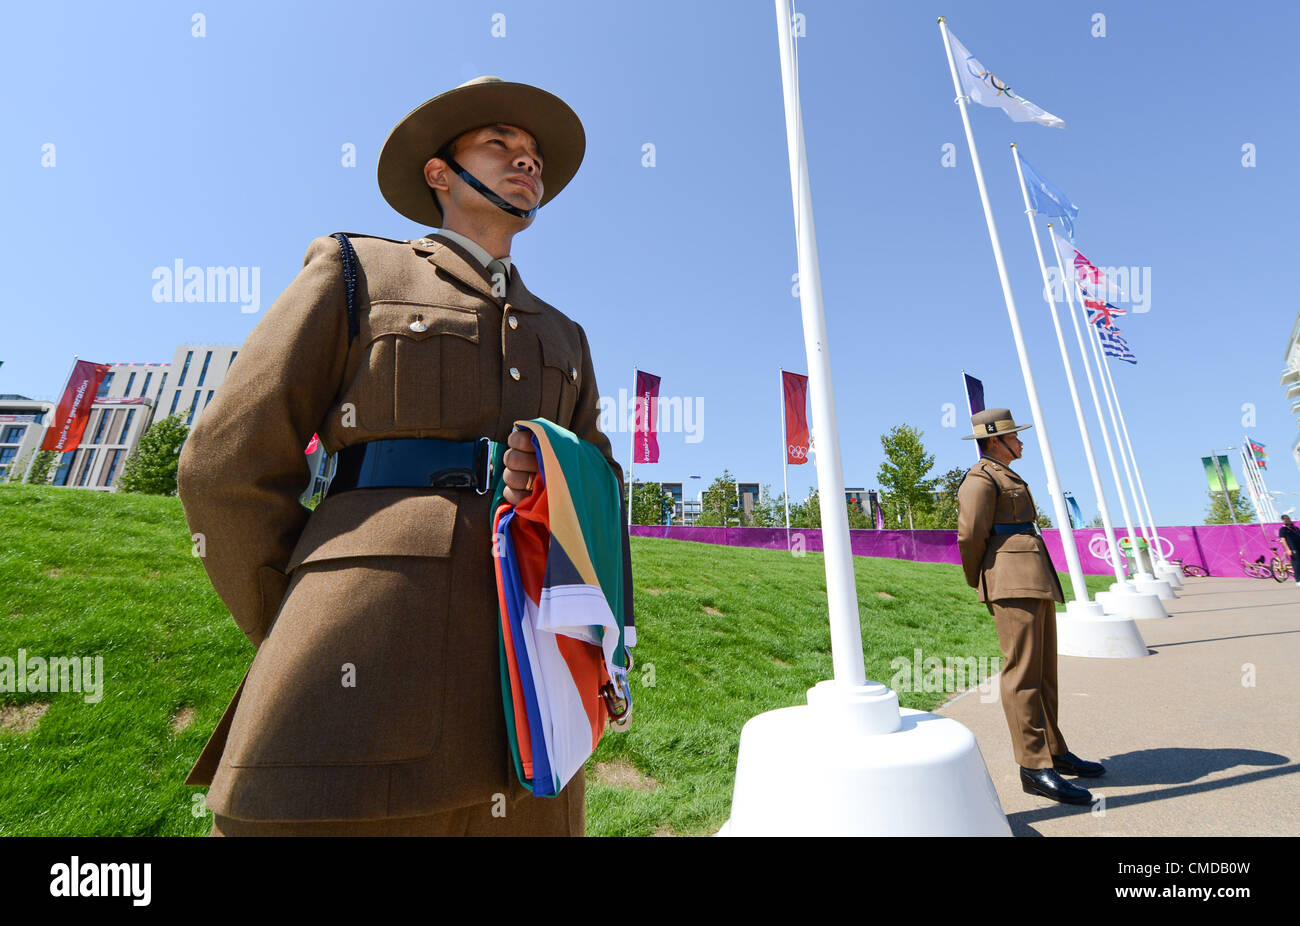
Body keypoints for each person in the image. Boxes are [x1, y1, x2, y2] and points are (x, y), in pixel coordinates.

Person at [176, 76, 626, 836]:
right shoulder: (358, 270)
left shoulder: (566, 335)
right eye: (502, 145)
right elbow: (226, 466)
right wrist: (303, 616)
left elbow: (604, 490)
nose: (528, 163)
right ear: (440, 174)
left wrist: (557, 474)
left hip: (535, 710)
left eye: (536, 157)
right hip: (357, 677)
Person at [956, 408, 1104, 806]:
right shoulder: (980, 479)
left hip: (1033, 577)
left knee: (1044, 671)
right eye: (1014, 436)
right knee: (1022, 673)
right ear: (994, 441)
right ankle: (1034, 767)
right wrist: (981, 578)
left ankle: (1054, 750)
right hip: (1010, 579)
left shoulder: (1005, 474)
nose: (1021, 441)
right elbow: (970, 536)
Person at [1279, 514, 1300, 586]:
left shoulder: (1295, 528)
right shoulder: (1283, 529)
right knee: (1296, 564)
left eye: (1287, 518)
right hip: (1293, 548)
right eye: (1285, 519)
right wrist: (1288, 549)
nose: (1287, 520)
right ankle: (1298, 580)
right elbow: (1283, 539)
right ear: (1283, 521)